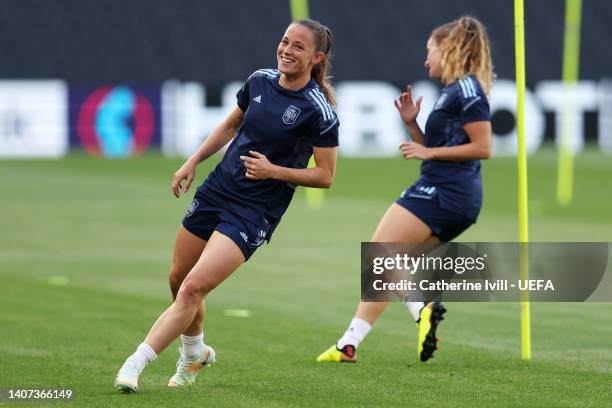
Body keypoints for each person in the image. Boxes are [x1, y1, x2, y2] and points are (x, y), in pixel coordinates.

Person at [114, 18, 339, 392]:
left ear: (316, 58)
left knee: (192, 289)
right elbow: (231, 125)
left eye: (298, 46)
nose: (287, 50)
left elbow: (326, 176)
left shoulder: (319, 110)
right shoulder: (259, 81)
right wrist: (192, 161)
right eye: (285, 41)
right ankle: (195, 351)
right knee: (177, 279)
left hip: (254, 212)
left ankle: (135, 364)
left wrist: (273, 171)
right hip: (217, 190)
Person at [317, 15, 494, 363]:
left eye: (430, 51)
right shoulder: (454, 91)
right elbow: (442, 147)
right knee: (385, 266)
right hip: (451, 192)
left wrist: (428, 151)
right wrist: (413, 125)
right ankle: (348, 345)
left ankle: (421, 307)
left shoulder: (469, 90)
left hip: (444, 191)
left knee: (378, 256)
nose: (425, 59)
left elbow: (483, 146)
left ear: (449, 49)